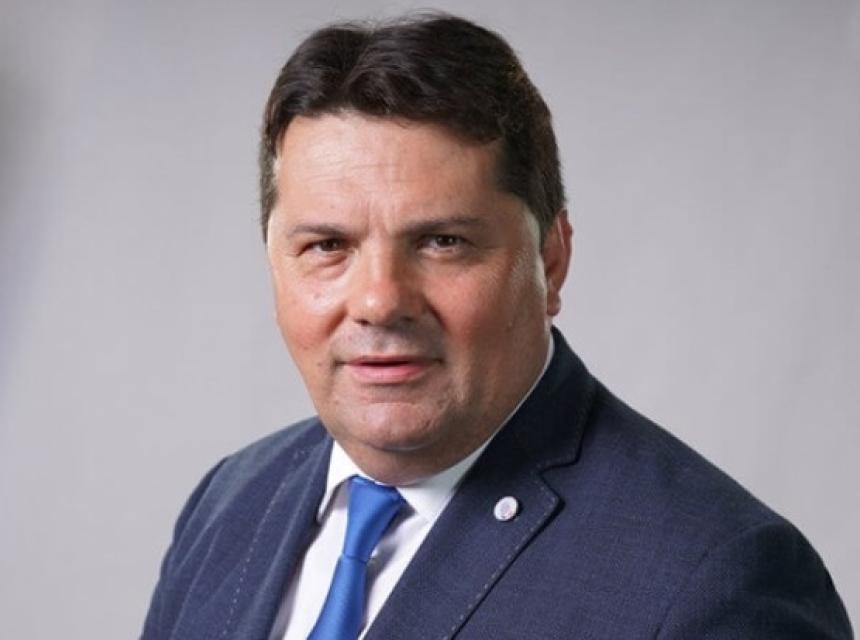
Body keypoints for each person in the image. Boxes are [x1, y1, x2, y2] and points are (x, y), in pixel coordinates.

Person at [142, 13, 852, 640]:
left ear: (552, 260)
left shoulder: (716, 582)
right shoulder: (232, 501)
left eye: (442, 242)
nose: (380, 302)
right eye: (327, 246)